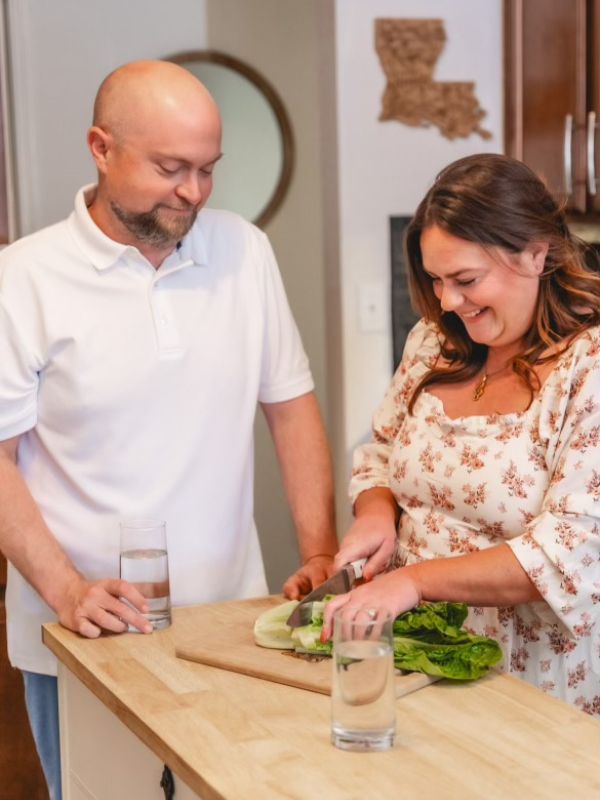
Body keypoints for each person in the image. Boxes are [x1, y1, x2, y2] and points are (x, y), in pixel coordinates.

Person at [0, 60, 337, 799]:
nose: (193, 192)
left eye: (208, 170)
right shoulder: (21, 279)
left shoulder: (244, 252)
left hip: (230, 630)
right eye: (170, 168)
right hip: (85, 640)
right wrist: (66, 591)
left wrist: (319, 549)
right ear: (100, 147)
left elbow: (290, 406)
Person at [322, 153, 600, 715]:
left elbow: (568, 551)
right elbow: (379, 453)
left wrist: (413, 583)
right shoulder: (434, 342)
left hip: (534, 684)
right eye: (436, 280)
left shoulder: (587, 371)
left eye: (466, 280)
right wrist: (375, 514)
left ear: (535, 254)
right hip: (416, 660)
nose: (448, 302)